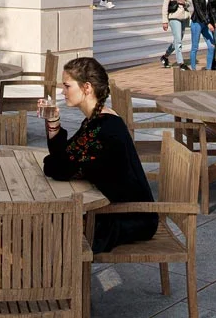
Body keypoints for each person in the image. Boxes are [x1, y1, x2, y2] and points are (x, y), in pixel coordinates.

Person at [40, 57, 157, 253]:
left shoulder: (103, 129)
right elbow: (64, 159)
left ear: (86, 87)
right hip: (112, 209)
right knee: (48, 225)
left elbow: (58, 168)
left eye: (67, 86)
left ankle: (60, 282)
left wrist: (55, 160)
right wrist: (53, 121)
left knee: (47, 230)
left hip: (128, 217)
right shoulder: (96, 121)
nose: (62, 91)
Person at [161, 0, 191, 69]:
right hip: (174, 16)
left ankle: (165, 56)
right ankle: (181, 63)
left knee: (177, 40)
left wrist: (184, 3)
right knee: (178, 41)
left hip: (183, 16)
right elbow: (165, 5)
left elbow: (188, 2)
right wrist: (165, 21)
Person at [187, 0, 216, 69]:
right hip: (197, 22)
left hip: (206, 21)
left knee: (212, 46)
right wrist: (207, 23)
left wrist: (214, 21)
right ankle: (193, 69)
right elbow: (198, 10)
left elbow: (210, 8)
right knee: (195, 47)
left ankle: (208, 69)